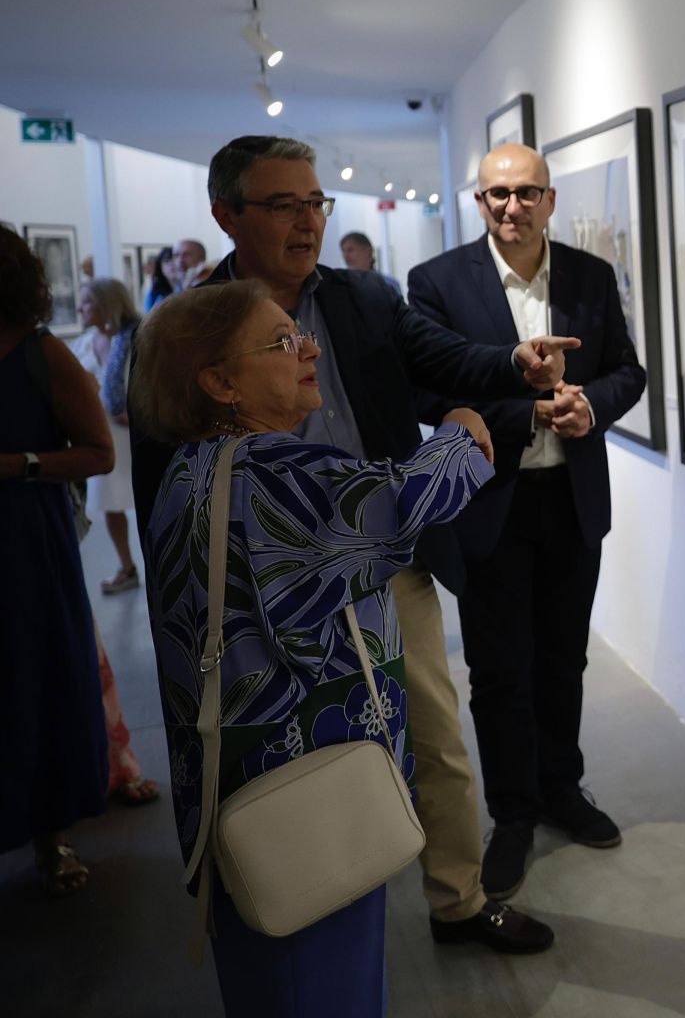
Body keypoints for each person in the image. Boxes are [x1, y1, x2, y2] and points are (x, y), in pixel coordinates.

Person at [130, 134, 571, 954]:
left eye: (315, 203)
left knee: (431, 736)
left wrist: (510, 363)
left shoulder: (363, 297)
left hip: (383, 565)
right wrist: (462, 439)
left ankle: (456, 900)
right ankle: (299, 895)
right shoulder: (190, 327)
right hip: (258, 593)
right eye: (282, 204)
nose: (306, 222)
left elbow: (437, 360)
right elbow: (161, 473)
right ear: (226, 214)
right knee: (286, 758)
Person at [133, 278, 499, 1015]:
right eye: (281, 342)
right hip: (309, 799)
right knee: (320, 985)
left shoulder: (196, 470)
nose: (309, 349)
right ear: (218, 382)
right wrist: (463, 428)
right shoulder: (272, 475)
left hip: (250, 794)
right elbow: (400, 503)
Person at [408, 141, 648, 901]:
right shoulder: (439, 283)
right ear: (478, 203)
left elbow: (627, 371)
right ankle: (512, 813)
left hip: (570, 499)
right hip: (489, 504)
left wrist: (591, 405)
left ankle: (561, 789)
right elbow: (424, 393)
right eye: (497, 194)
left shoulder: (590, 276)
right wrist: (530, 411)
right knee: (501, 670)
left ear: (550, 200)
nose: (512, 207)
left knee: (563, 660)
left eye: (526, 193)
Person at [0, 227, 113, 896]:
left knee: (35, 679)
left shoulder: (42, 354)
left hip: (24, 545)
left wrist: (18, 465)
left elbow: (100, 453)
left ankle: (50, 830)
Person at [75, 277, 142, 592]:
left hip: (138, 437)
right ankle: (126, 567)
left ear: (106, 303)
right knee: (113, 506)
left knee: (149, 504)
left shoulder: (139, 337)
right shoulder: (87, 341)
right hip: (105, 436)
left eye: (87, 301)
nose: (80, 308)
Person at [338, 230, 402, 295]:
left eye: (350, 250)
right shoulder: (340, 285)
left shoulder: (388, 284)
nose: (345, 256)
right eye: (343, 251)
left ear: (368, 251)